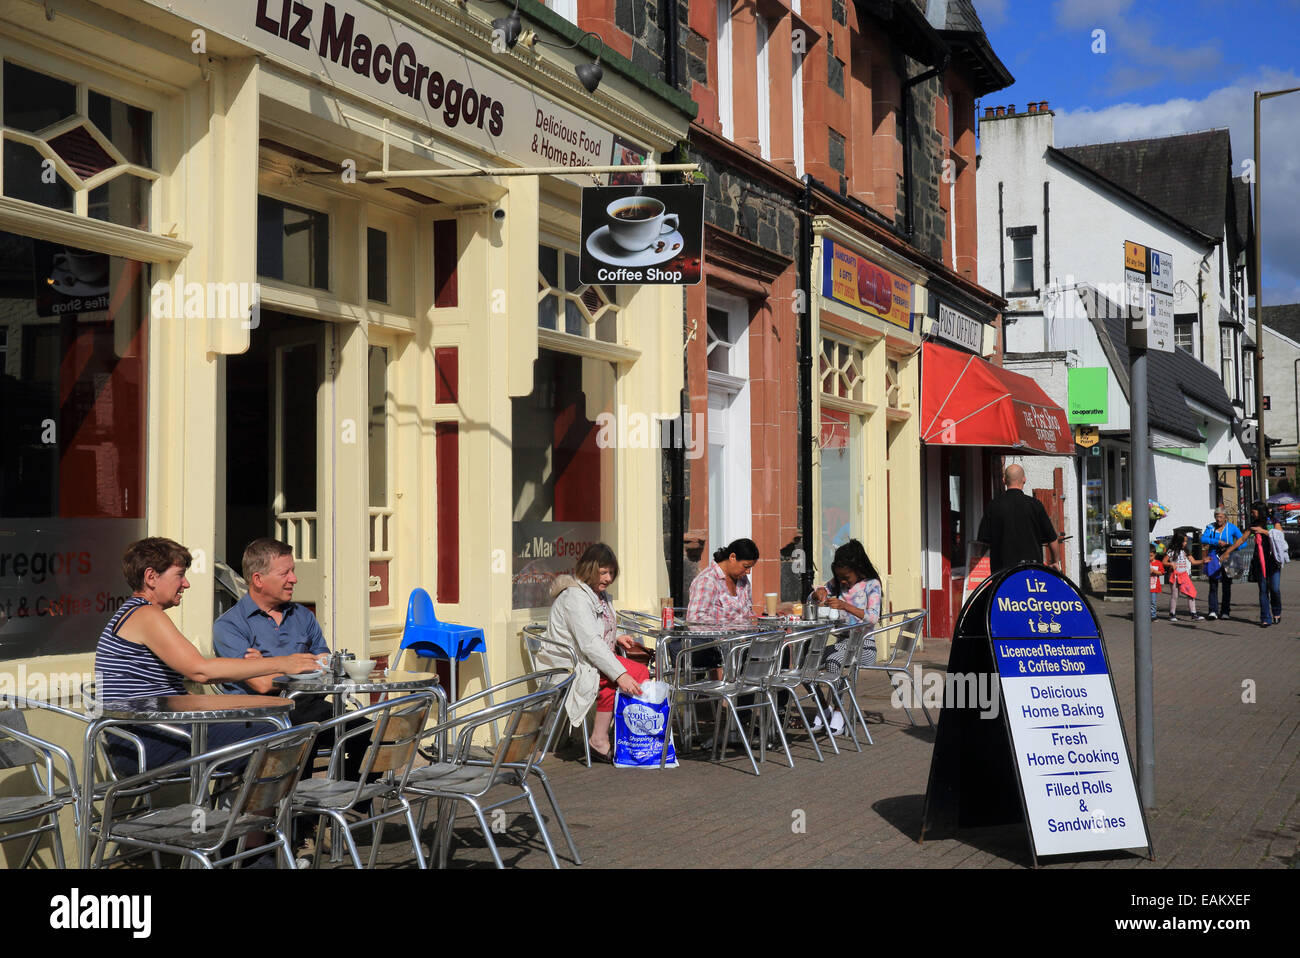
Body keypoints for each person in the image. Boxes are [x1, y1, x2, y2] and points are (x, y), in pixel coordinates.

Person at [94, 537, 322, 773]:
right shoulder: (146, 615)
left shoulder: (136, 613)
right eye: (180, 575)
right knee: (278, 735)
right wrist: (284, 663)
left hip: (148, 733)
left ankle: (241, 807)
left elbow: (190, 688)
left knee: (274, 726)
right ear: (151, 577)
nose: (186, 584)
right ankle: (253, 811)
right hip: (143, 742)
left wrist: (256, 702)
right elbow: (201, 671)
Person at [212, 538, 370, 780]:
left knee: (369, 730)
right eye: (285, 573)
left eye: (293, 571)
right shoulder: (230, 625)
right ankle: (299, 813)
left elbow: (327, 665)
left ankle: (348, 799)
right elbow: (261, 686)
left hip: (310, 708)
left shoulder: (303, 616)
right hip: (262, 718)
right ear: (258, 579)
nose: (294, 579)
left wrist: (265, 664)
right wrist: (300, 664)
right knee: (303, 736)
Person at [544, 543, 649, 763]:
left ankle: (627, 734)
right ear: (589, 569)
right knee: (616, 678)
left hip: (593, 658)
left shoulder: (599, 595)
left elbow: (597, 627)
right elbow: (589, 642)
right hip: (573, 663)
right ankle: (599, 740)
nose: (608, 578)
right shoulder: (575, 597)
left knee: (640, 672)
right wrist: (620, 674)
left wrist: (617, 634)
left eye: (611, 572)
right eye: (603, 572)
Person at [810, 539, 882, 735]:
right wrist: (819, 593)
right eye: (839, 577)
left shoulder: (871, 584)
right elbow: (816, 595)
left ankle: (839, 711)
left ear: (858, 569)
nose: (842, 582)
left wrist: (845, 606)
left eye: (846, 578)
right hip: (842, 644)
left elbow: (873, 618)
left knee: (834, 662)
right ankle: (824, 708)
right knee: (804, 665)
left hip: (864, 647)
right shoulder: (836, 582)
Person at [971, 464, 1060, 573]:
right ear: (1024, 480)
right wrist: (1055, 561)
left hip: (1002, 574)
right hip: (1032, 571)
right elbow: (1052, 539)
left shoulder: (993, 506)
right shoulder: (1035, 505)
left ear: (1004, 480)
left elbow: (983, 543)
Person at [1222, 501, 1281, 627]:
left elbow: (1279, 534)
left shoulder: (1273, 520)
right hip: (1259, 560)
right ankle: (1265, 618)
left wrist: (1263, 531)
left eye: (1254, 512)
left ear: (1259, 511)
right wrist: (1228, 551)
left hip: (1273, 560)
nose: (1252, 514)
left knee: (1274, 589)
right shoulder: (1253, 524)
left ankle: (1276, 611)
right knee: (1263, 590)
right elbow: (1242, 539)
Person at [1201, 507, 1242, 620]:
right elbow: (1203, 539)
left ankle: (1225, 611)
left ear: (1225, 518)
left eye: (1221, 517)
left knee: (1226, 585)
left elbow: (1242, 541)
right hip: (1214, 558)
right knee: (1213, 585)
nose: (1218, 519)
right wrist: (1217, 542)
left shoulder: (1232, 528)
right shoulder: (1210, 527)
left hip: (1228, 558)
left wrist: (1231, 548)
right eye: (1216, 516)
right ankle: (1213, 611)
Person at [1163, 532, 1204, 621]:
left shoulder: (1186, 551)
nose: (1185, 543)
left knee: (1191, 593)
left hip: (1184, 575)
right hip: (1174, 576)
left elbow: (1193, 561)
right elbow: (1164, 562)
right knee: (1175, 595)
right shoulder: (1171, 551)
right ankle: (1172, 614)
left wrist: (1203, 561)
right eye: (1184, 541)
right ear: (1178, 542)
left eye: (1186, 541)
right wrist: (1170, 564)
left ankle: (1193, 613)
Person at [1148, 544, 1164, 622]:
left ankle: (1153, 615)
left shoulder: (1158, 563)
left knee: (1153, 602)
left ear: (1155, 554)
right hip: (1145, 587)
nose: (1149, 558)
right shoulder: (1144, 563)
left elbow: (1161, 573)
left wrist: (1154, 571)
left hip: (1154, 586)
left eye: (1151, 556)